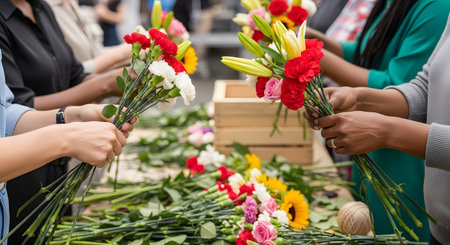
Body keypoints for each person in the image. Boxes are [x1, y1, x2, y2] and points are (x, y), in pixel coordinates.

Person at [305, 0, 450, 240]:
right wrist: (358, 98)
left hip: (406, 169)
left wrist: (387, 131)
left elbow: (395, 76)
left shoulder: (438, 5)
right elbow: (426, 87)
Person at [0, 0, 126, 243]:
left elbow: (7, 112)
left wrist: (70, 116)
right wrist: (66, 137)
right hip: (23, 183)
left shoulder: (41, 8)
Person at [46, 0, 131, 74]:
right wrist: (120, 54)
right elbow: (69, 75)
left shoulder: (71, 3)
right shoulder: (45, 7)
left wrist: (126, 53)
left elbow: (93, 53)